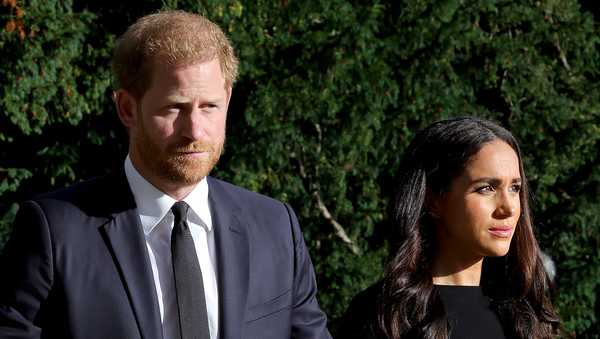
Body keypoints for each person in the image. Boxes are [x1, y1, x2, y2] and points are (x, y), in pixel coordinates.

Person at [0, 10, 331, 339]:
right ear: (127, 108)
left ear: (227, 100)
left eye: (209, 107)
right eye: (174, 108)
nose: (194, 131)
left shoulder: (275, 228)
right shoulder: (55, 232)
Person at [340, 117, 560, 338]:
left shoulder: (526, 313)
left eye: (514, 188)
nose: (509, 208)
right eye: (486, 188)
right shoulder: (387, 316)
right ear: (434, 199)